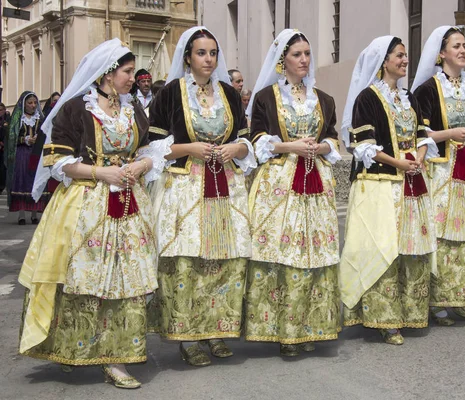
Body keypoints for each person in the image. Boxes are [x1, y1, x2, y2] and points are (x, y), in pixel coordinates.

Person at [18, 38, 170, 388]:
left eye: (133, 72)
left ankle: (118, 356)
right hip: (87, 204)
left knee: (127, 280)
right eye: (127, 72)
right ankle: (77, 347)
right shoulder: (76, 109)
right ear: (107, 73)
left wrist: (143, 163)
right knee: (84, 279)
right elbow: (58, 161)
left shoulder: (133, 109)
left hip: (129, 206)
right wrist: (102, 172)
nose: (133, 78)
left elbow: (149, 149)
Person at [146, 27, 256, 366]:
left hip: (225, 186)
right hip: (185, 187)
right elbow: (152, 149)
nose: (208, 59)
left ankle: (217, 330)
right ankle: (188, 336)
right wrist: (188, 148)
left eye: (213, 53)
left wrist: (234, 149)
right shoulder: (168, 95)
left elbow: (245, 140)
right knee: (188, 261)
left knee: (225, 260)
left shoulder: (229, 94)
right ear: (187, 57)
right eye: (201, 53)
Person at [244, 29, 342, 357]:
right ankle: (282, 329)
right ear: (282, 60)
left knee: (315, 254)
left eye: (307, 54)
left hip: (316, 182)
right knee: (283, 254)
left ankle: (310, 326)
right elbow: (257, 139)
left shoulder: (324, 99)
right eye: (297, 54)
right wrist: (292, 146)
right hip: (279, 183)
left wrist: (321, 146)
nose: (304, 60)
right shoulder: (266, 98)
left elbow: (334, 139)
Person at [339, 36, 437, 345]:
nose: (405, 60)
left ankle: (410, 311)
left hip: (411, 181)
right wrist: (400, 163)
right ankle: (385, 317)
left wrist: (418, 160)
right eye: (399, 55)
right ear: (384, 61)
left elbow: (423, 136)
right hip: (380, 183)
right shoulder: (367, 98)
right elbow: (365, 147)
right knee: (383, 247)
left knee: (411, 247)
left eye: (406, 56)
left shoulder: (409, 97)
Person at [412, 26, 465, 325]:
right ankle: (436, 300)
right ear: (442, 53)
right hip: (441, 169)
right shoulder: (426, 91)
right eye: (456, 46)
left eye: (464, 46)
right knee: (444, 233)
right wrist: (450, 133)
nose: (463, 51)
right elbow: (421, 134)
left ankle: (460, 295)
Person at [4, 91, 49, 224]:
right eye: (30, 103)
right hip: (22, 154)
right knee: (22, 181)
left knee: (35, 180)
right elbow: (11, 138)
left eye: (35, 103)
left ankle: (35, 213)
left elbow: (46, 134)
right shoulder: (17, 119)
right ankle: (21, 214)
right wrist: (24, 139)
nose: (33, 105)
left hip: (35, 153)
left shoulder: (40, 119)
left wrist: (38, 139)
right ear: (24, 104)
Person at [0, 103, 10, 194]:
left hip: (4, 148)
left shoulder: (7, 120)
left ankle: (2, 186)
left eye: (1, 110)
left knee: (3, 168)